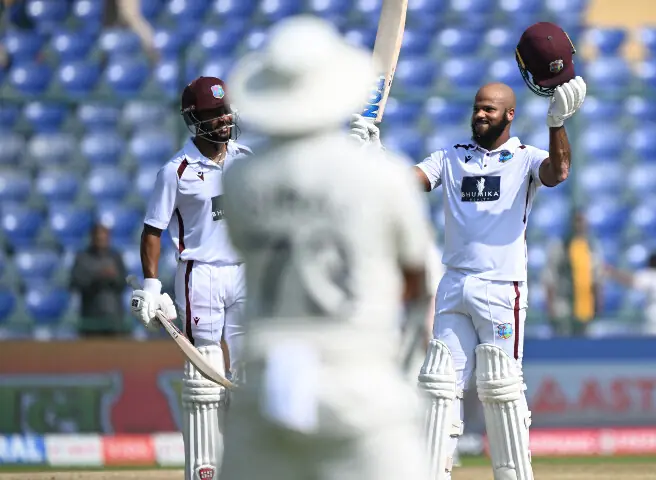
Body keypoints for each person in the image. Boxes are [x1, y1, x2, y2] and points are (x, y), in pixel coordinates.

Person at [350, 20, 587, 480]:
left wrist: (557, 124)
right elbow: (403, 185)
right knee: (438, 382)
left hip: (502, 288)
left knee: (501, 386)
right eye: (477, 108)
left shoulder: (523, 157)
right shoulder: (450, 156)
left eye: (490, 110)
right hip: (454, 283)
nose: (480, 115)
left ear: (509, 115)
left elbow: (559, 173)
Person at [219, 16, 434, 480]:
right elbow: (417, 282)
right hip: (357, 375)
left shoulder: (238, 181)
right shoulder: (384, 176)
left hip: (268, 386)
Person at [128, 75, 251, 480]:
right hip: (201, 274)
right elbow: (153, 231)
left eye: (225, 111)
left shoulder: (245, 158)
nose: (223, 120)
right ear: (193, 119)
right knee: (206, 374)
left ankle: (250, 464)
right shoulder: (175, 171)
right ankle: (204, 470)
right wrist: (151, 284)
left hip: (244, 270)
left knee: (249, 371)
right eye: (213, 115)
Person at [542, 210, 605, 336]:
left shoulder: (592, 247)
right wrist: (550, 305)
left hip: (585, 304)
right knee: (563, 339)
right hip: (563, 303)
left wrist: (599, 302)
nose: (580, 225)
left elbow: (598, 278)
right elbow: (549, 277)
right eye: (577, 221)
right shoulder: (560, 246)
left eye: (582, 221)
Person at [69, 224, 129, 337]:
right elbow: (74, 283)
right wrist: (97, 277)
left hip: (113, 317)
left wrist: (113, 277)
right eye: (97, 237)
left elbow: (123, 282)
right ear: (92, 237)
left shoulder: (115, 257)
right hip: (90, 318)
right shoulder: (83, 257)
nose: (100, 239)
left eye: (103, 236)